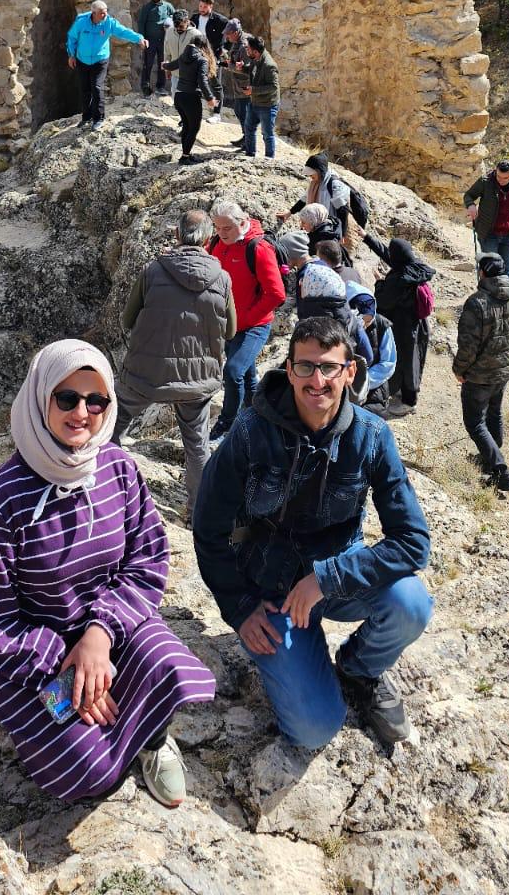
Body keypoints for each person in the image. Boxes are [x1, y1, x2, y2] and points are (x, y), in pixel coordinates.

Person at [0, 340, 215, 807]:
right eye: (67, 398)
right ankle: (111, 718)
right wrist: (71, 665)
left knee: (171, 671)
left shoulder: (118, 468)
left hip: (110, 629)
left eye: (96, 400)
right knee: (89, 772)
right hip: (37, 660)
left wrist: (99, 636)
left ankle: (151, 737)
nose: (82, 412)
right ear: (41, 399)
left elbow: (148, 558)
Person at [193, 315, 432, 751]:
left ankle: (359, 670)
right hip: (271, 588)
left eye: (328, 367)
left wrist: (326, 578)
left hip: (339, 579)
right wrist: (240, 607)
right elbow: (208, 528)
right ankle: (303, 658)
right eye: (305, 367)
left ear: (350, 371)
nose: (316, 380)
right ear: (289, 369)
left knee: (411, 603)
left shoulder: (373, 437)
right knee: (313, 730)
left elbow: (413, 542)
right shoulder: (250, 432)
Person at [113, 209, 235, 510]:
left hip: (146, 374)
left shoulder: (153, 270)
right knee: (197, 445)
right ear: (208, 239)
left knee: (111, 428)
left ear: (177, 236)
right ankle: (199, 511)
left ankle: (108, 494)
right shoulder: (222, 278)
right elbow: (231, 329)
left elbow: (127, 319)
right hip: (198, 379)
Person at [208, 198, 286, 438]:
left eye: (227, 228)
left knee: (232, 372)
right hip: (228, 325)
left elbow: (276, 293)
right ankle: (258, 420)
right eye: (217, 228)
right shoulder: (216, 244)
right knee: (247, 374)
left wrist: (247, 318)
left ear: (242, 223)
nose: (221, 233)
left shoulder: (258, 248)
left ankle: (227, 424)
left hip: (253, 326)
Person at [453, 254, 509, 498]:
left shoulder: (476, 303)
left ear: (482, 273)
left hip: (479, 375)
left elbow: (468, 346)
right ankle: (491, 456)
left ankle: (499, 468)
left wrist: (459, 370)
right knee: (493, 413)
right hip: (503, 371)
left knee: (475, 423)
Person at [361, 232, 437, 418]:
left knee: (407, 361)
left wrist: (379, 282)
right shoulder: (417, 268)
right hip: (418, 325)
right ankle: (405, 392)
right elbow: (390, 257)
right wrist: (367, 237)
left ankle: (408, 402)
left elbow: (383, 300)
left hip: (404, 327)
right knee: (415, 358)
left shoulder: (397, 281)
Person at [66, 0, 147, 130]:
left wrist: (139, 38)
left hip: (100, 60)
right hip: (82, 60)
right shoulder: (81, 22)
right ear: (93, 13)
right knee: (85, 89)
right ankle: (86, 117)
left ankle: (99, 118)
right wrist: (71, 55)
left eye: (106, 12)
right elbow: (72, 38)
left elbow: (123, 31)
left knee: (97, 88)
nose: (105, 15)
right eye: (101, 13)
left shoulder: (109, 22)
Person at [294, 252, 374, 374]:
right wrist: (345, 369)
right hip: (343, 384)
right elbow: (367, 358)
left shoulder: (304, 328)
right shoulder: (352, 321)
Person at [464, 159, 509, 277]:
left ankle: (503, 294)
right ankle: (485, 293)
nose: (500, 180)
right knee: (490, 267)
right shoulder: (485, 182)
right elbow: (469, 195)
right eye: (498, 176)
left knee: (506, 267)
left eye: (505, 178)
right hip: (488, 233)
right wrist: (471, 205)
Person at [164, 32, 215, 165]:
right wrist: (210, 98)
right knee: (194, 128)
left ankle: (186, 153)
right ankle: (185, 157)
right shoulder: (202, 60)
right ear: (204, 46)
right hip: (191, 98)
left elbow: (171, 65)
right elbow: (202, 81)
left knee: (186, 126)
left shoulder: (184, 56)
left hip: (179, 96)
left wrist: (164, 65)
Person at [279, 153, 352, 244]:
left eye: (312, 174)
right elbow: (304, 200)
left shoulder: (334, 185)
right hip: (317, 227)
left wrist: (342, 234)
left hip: (330, 229)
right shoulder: (315, 183)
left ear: (319, 171)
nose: (310, 177)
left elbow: (343, 211)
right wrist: (290, 212)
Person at [348, 290, 398, 415]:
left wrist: (363, 381)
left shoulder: (382, 325)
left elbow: (388, 362)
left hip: (374, 386)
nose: (365, 324)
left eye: (368, 320)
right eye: (361, 320)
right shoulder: (344, 325)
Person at [241, 35, 279, 160]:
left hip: (267, 105)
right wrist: (242, 68)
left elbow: (273, 87)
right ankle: (250, 155)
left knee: (267, 134)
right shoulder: (255, 59)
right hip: (255, 102)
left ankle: (269, 160)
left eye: (248, 50)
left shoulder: (269, 65)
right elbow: (253, 71)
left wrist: (253, 90)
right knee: (249, 128)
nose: (247, 52)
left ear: (256, 52)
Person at [193, 0, 228, 119]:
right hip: (197, 54)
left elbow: (229, 35)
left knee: (215, 84)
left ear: (211, 6)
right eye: (200, 6)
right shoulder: (195, 18)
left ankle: (217, 114)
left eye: (205, 7)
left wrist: (225, 49)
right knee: (195, 83)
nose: (201, 9)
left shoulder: (220, 20)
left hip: (213, 56)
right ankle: (195, 111)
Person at [137, 0, 175, 97]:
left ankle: (160, 87)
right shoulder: (147, 7)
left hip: (164, 40)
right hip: (150, 40)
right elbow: (141, 23)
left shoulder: (168, 6)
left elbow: (175, 17)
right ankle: (145, 87)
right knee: (147, 64)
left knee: (162, 64)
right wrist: (141, 38)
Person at [217, 20, 249, 146]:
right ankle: (246, 137)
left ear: (236, 32)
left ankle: (248, 140)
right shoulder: (237, 42)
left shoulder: (244, 46)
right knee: (239, 110)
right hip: (239, 84)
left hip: (245, 86)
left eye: (229, 34)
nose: (227, 36)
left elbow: (246, 69)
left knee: (243, 112)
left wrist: (226, 64)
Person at [163, 9, 196, 103]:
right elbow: (167, 52)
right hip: (175, 75)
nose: (178, 28)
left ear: (187, 22)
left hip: (191, 77)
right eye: (176, 25)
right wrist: (167, 69)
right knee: (177, 103)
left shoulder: (196, 35)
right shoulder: (169, 32)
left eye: (181, 26)